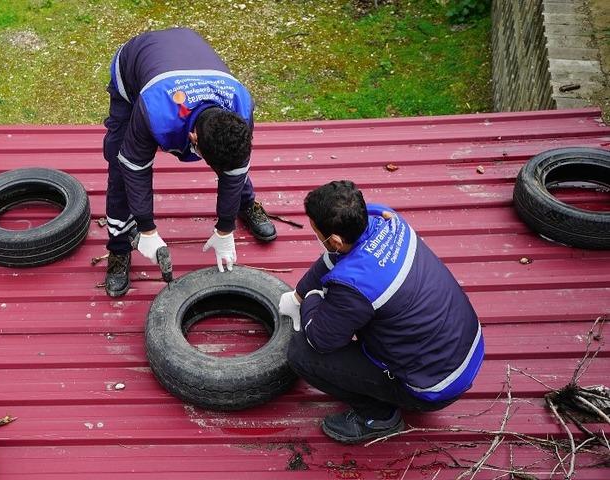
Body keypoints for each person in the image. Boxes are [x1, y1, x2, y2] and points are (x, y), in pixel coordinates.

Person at [278, 180, 483, 444]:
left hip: (434, 385)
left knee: (301, 354)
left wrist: (312, 299)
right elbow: (333, 258)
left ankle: (380, 418)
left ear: (336, 239)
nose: (315, 235)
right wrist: (300, 292)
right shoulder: (384, 219)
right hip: (462, 348)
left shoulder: (354, 288)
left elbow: (321, 338)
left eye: (316, 231)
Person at [101, 28, 277, 297]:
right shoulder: (154, 110)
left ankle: (246, 204)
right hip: (136, 66)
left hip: (188, 54)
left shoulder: (241, 105)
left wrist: (225, 228)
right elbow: (134, 167)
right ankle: (119, 248)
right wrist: (147, 229)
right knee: (119, 160)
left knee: (229, 157)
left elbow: (235, 166)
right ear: (192, 137)